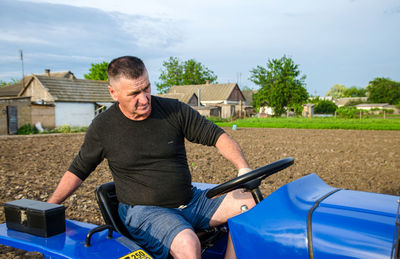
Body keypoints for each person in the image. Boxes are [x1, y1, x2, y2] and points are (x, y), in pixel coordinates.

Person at [48, 56, 255, 259]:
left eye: (146, 88)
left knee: (251, 204)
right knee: (187, 244)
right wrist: (50, 206)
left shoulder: (174, 110)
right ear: (114, 93)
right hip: (144, 212)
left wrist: (243, 168)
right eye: (134, 93)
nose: (145, 98)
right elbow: (79, 169)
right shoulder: (103, 127)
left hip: (190, 202)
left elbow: (218, 137)